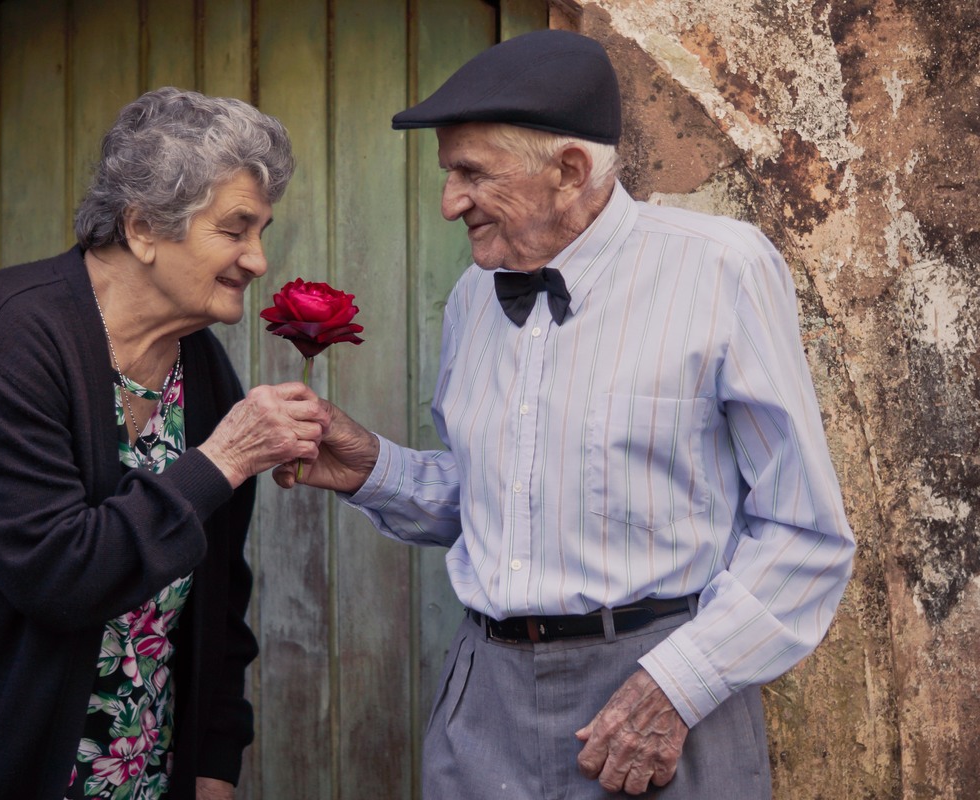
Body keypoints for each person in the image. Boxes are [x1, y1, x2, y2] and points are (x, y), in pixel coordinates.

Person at [276, 30, 855, 798]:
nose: (450, 202)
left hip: (660, 696)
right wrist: (373, 470)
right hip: (482, 705)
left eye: (471, 173)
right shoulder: (474, 297)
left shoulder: (721, 269)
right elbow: (507, 503)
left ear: (570, 169)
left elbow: (803, 531)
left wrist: (677, 686)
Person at [0, 88, 328, 800]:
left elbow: (220, 592)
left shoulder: (202, 366)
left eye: (263, 230)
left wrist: (213, 761)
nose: (258, 260)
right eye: (236, 229)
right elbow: (58, 572)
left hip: (141, 775)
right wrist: (221, 460)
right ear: (142, 228)